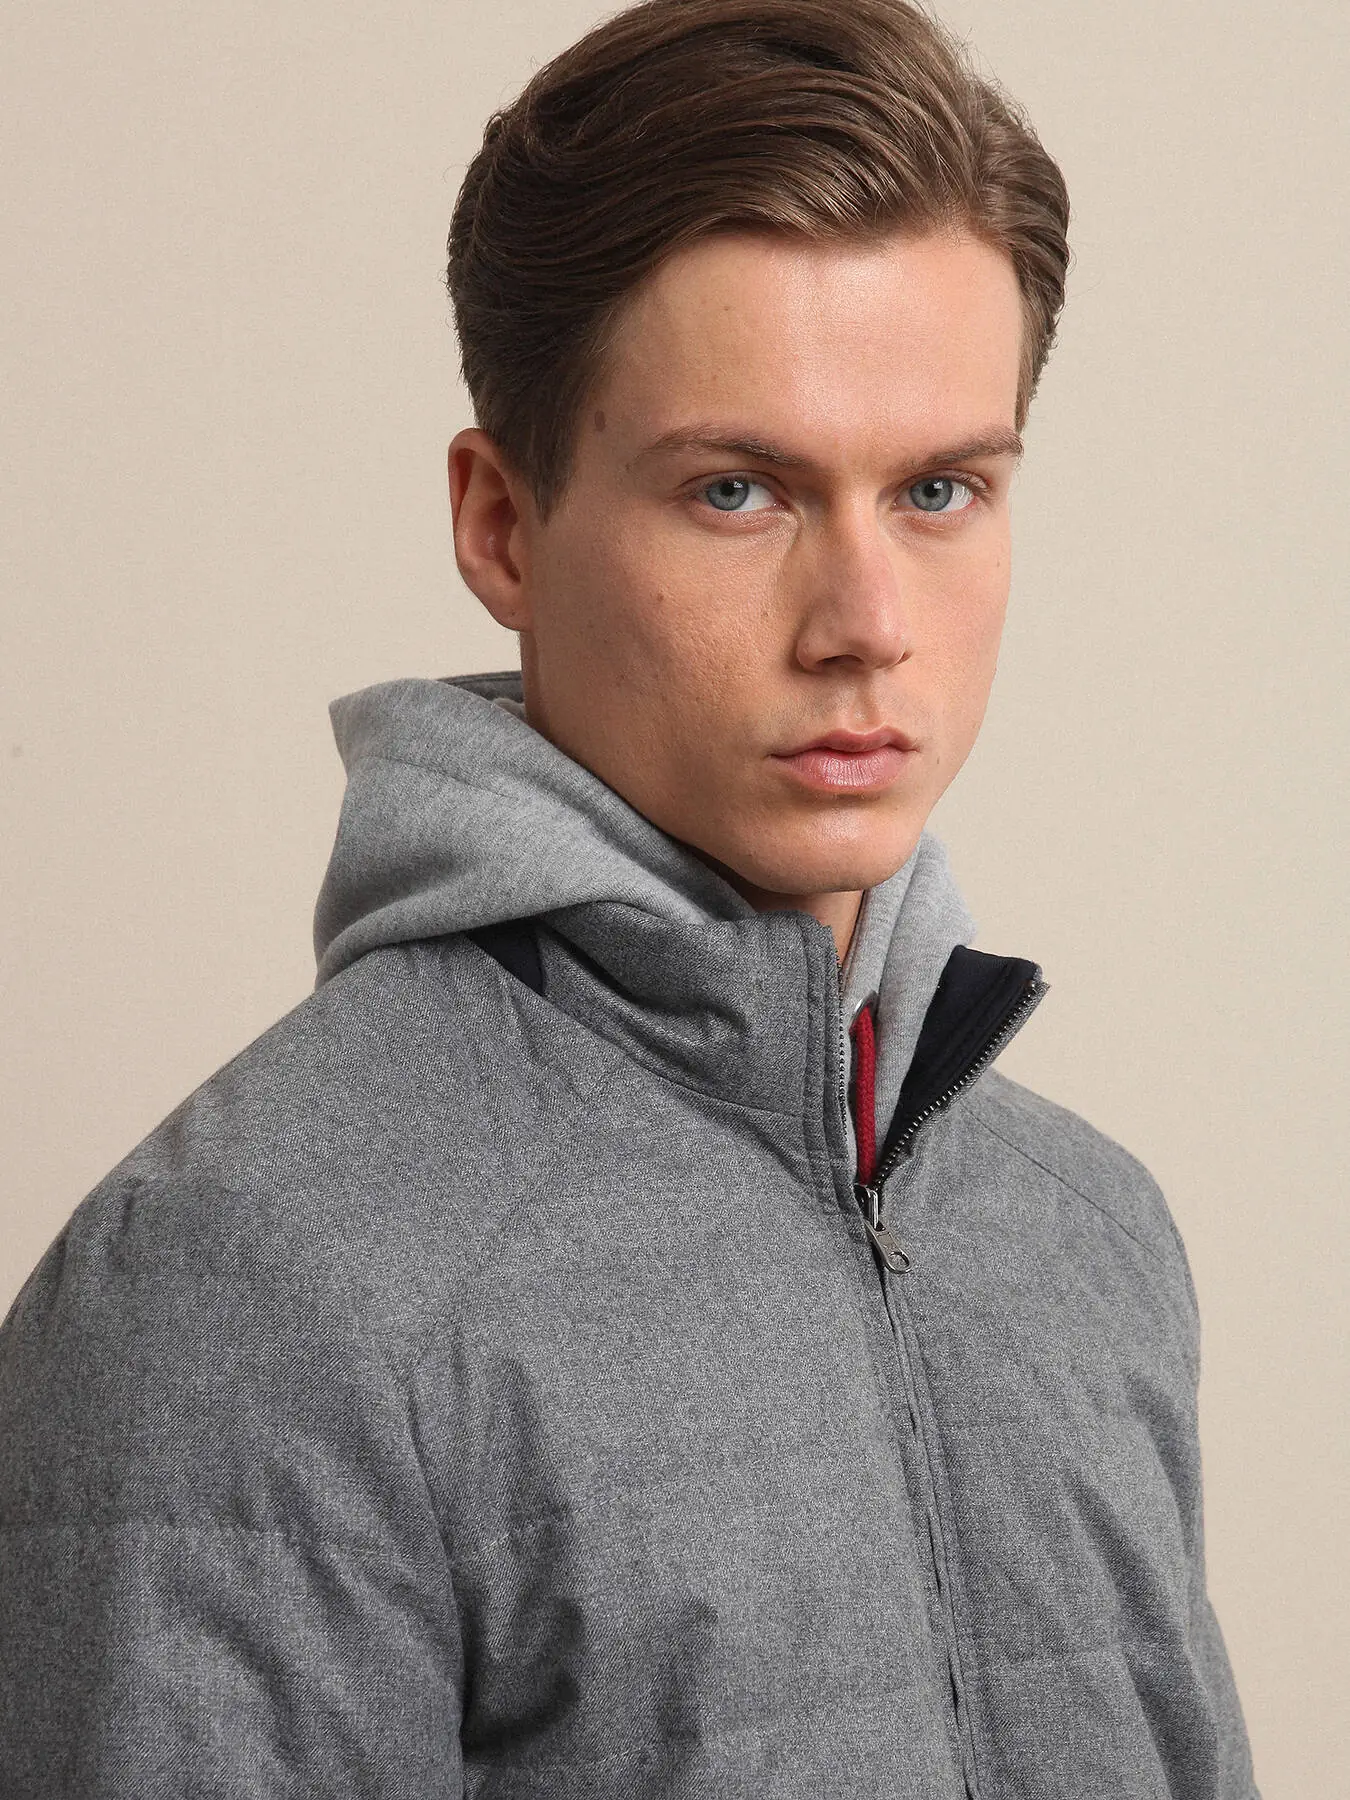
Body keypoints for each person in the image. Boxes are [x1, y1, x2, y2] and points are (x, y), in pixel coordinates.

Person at [0, 1, 1259, 1794]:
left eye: (938, 489)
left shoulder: (1084, 1233)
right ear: (501, 527)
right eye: (736, 490)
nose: (865, 623)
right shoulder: (248, 1280)